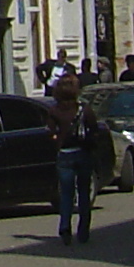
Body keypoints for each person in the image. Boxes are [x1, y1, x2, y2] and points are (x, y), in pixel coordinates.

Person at [47, 76, 104, 246]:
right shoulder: (83, 110)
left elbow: (49, 132)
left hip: (64, 154)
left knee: (66, 193)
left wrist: (58, 140)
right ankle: (83, 229)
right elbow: (94, 130)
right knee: (84, 192)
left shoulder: (54, 110)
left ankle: (65, 226)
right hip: (83, 153)